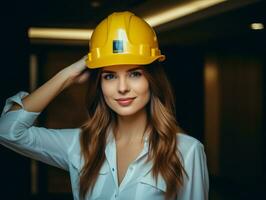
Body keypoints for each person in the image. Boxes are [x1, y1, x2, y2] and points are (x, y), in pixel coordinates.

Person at [0, 11, 209, 200]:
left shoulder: (186, 151)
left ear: (152, 80)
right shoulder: (80, 145)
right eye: (109, 76)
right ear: (99, 84)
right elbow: (8, 131)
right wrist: (67, 75)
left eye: (135, 74)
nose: (122, 88)